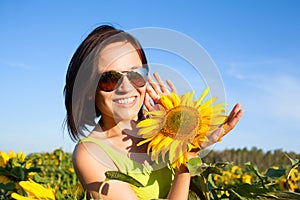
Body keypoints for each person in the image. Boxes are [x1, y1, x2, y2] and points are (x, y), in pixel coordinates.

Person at [63, 25, 243, 200]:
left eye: (135, 75)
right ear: (87, 90)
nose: (126, 87)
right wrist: (188, 158)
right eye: (110, 79)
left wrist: (180, 128)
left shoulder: (158, 130)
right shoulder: (91, 154)